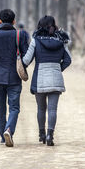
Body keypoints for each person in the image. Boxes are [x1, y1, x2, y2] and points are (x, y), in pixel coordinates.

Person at [22, 15, 71, 146]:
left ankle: (41, 134)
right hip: (56, 79)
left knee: (41, 109)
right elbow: (68, 59)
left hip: (40, 79)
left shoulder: (35, 40)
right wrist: (58, 68)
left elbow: (26, 60)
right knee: (53, 110)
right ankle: (50, 135)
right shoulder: (61, 41)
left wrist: (19, 65)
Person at [0, 9, 29, 147]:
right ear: (14, 21)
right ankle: (9, 129)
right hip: (14, 77)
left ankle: (3, 137)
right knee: (14, 107)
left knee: (0, 109)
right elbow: (26, 56)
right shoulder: (19, 34)